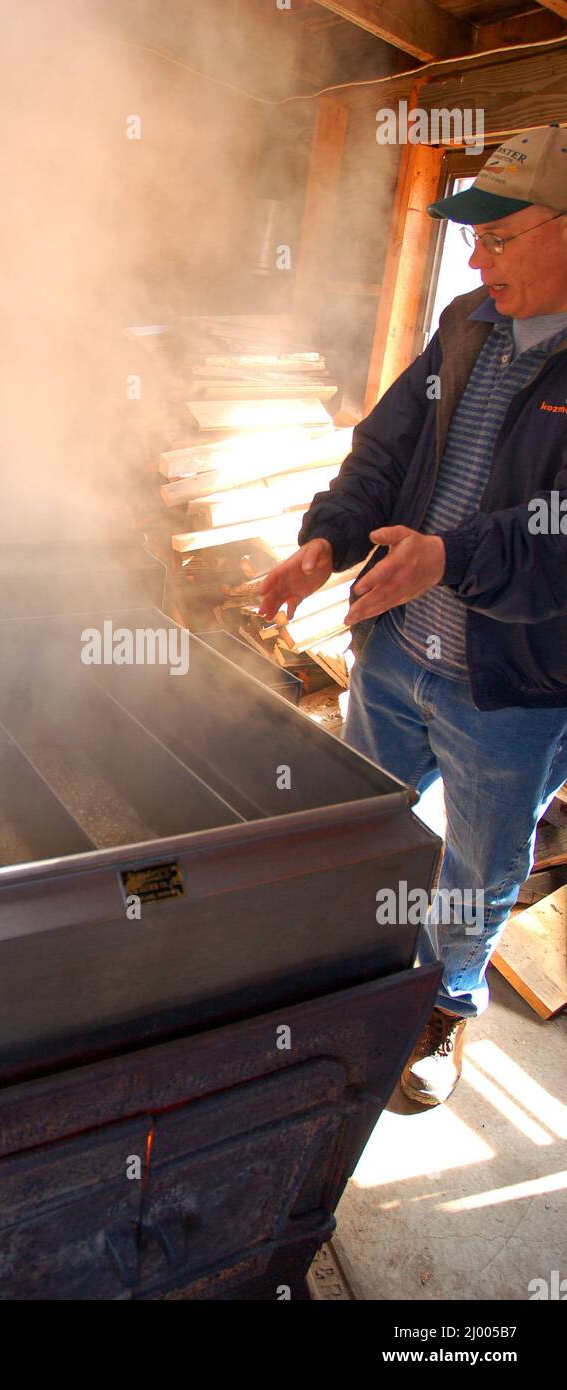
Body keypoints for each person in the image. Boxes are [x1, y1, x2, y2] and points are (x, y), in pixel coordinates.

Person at [260, 124, 567, 1107]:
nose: (476, 257)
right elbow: (386, 447)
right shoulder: (469, 325)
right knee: (364, 822)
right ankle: (360, 961)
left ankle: (447, 1005)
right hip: (397, 650)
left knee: (478, 866)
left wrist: (451, 556)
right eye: (471, 237)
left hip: (509, 688)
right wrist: (328, 540)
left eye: (500, 236)